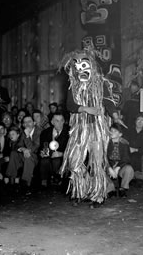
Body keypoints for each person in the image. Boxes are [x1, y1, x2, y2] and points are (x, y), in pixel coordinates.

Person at [59, 46, 124, 207]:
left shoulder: (101, 84)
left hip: (96, 130)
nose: (80, 69)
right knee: (74, 163)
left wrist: (115, 116)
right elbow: (70, 105)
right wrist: (86, 109)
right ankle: (82, 190)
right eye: (77, 67)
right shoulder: (73, 86)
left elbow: (108, 101)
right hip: (80, 131)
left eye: (84, 65)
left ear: (92, 66)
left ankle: (98, 195)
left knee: (96, 164)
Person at [5, 115, 42, 194]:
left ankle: (26, 184)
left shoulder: (39, 132)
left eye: (29, 122)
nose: (27, 124)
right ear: (23, 125)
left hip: (36, 157)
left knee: (28, 156)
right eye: (25, 122)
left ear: (34, 123)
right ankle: (12, 181)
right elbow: (17, 145)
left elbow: (34, 148)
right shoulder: (23, 132)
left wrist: (28, 136)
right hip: (25, 155)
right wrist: (23, 149)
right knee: (13, 153)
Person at [39, 112, 69, 189]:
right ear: (52, 122)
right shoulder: (45, 132)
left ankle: (58, 180)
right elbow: (42, 146)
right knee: (44, 160)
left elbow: (73, 149)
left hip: (63, 157)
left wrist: (61, 154)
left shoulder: (69, 132)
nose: (59, 123)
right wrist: (42, 152)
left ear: (64, 121)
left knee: (57, 161)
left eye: (61, 120)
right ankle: (44, 182)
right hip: (48, 156)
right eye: (56, 121)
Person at [106, 123, 134, 198]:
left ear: (120, 134)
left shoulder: (124, 143)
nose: (112, 132)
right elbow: (103, 158)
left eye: (115, 131)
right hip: (108, 165)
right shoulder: (105, 143)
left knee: (129, 169)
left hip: (120, 165)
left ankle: (123, 189)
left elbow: (126, 158)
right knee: (101, 170)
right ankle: (111, 190)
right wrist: (109, 168)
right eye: (111, 130)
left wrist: (118, 167)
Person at [124, 114, 143, 181]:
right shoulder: (128, 131)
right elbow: (124, 143)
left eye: (142, 120)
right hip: (128, 151)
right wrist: (129, 149)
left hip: (139, 153)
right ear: (135, 121)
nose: (140, 122)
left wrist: (135, 150)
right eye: (138, 120)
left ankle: (134, 177)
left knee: (136, 157)